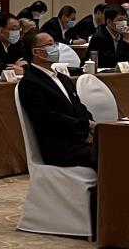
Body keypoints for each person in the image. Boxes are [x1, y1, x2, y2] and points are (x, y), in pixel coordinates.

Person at [17, 30, 96, 168]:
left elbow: (79, 108)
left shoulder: (63, 78)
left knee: (120, 144)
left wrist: (91, 130)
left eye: (54, 44)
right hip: (61, 148)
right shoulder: (30, 83)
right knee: (110, 152)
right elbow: (49, 119)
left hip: (80, 140)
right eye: (50, 45)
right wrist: (85, 127)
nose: (55, 48)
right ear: (36, 52)